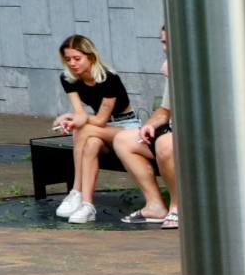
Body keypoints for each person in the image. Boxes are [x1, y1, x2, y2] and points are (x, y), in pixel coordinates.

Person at [50, 34, 129, 223]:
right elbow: (80, 114)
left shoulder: (109, 78)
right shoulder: (68, 78)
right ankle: (87, 206)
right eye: (68, 59)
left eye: (77, 58)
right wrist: (70, 120)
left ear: (91, 57)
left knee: (82, 130)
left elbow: (101, 120)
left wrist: (73, 119)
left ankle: (76, 190)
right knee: (91, 143)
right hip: (98, 129)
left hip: (126, 127)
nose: (72, 63)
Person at [114, 27, 176, 228]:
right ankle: (155, 206)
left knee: (165, 144)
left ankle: (178, 207)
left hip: (199, 137)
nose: (166, 48)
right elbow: (165, 111)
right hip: (173, 133)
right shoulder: (173, 67)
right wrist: (149, 125)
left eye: (170, 42)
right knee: (123, 140)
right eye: (163, 42)